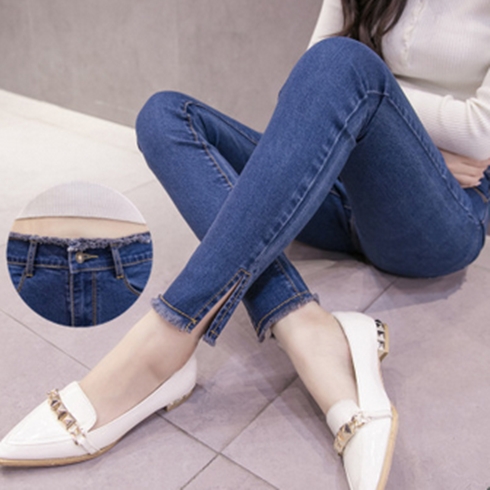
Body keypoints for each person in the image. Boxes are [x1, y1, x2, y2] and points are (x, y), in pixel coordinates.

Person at [1, 1, 489, 489]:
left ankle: (164, 341)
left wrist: (397, 124)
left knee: (346, 63)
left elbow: (481, 129)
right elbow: (314, 75)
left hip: (438, 209)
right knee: (163, 116)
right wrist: (381, 115)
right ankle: (307, 329)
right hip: (343, 180)